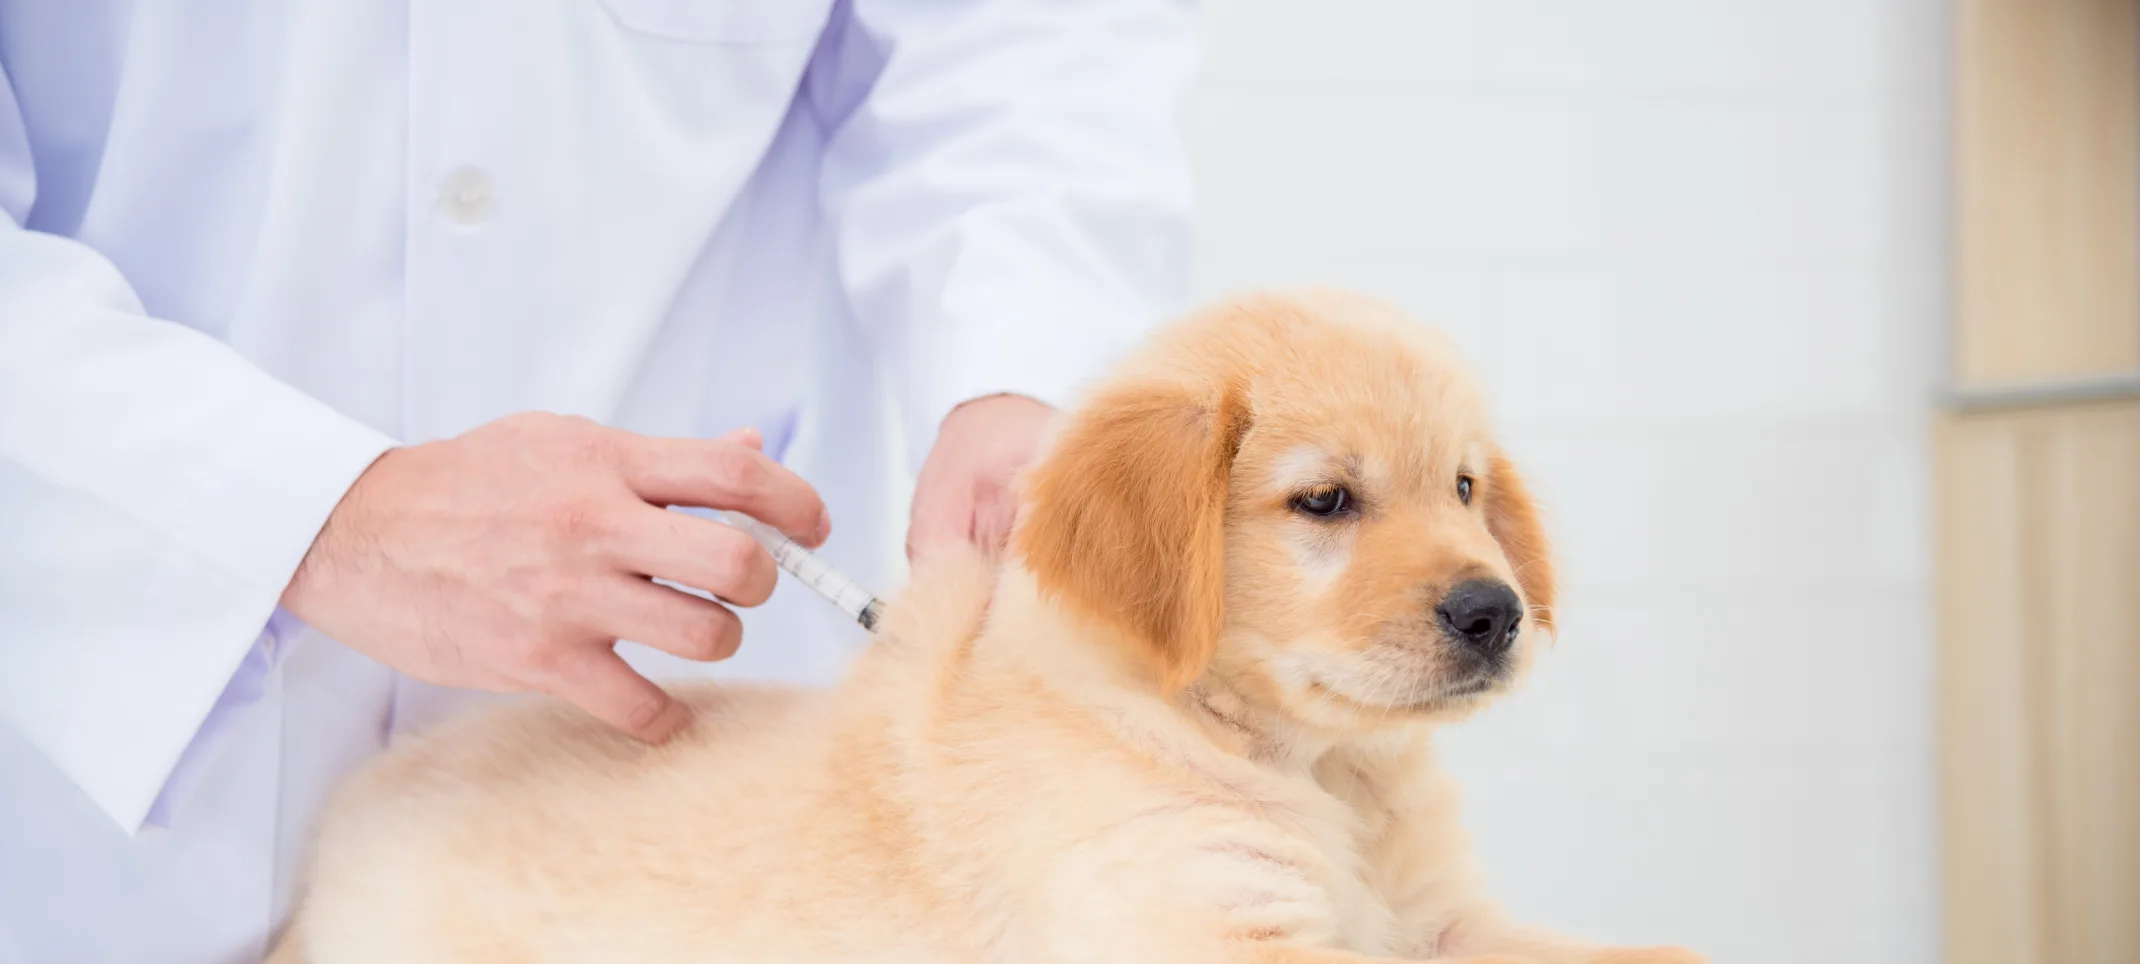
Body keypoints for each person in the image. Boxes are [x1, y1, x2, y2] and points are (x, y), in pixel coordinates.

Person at [0, 1, 1198, 959]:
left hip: (693, 836)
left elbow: (1018, 43)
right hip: (94, 806)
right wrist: (311, 511)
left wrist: (1021, 373)